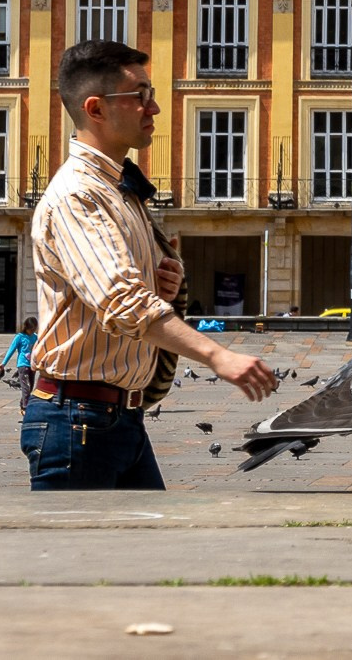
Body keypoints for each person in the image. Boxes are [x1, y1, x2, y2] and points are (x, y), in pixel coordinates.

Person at [23, 39, 278, 491]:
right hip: (77, 421)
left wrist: (165, 284)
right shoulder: (80, 196)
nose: (154, 107)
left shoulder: (120, 190)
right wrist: (218, 355)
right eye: (139, 95)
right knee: (77, 558)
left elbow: (120, 297)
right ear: (96, 109)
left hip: (116, 417)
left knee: (145, 553)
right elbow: (124, 303)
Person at [3, 315, 39, 411]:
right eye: (31, 329)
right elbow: (11, 350)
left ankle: (22, 403)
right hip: (23, 365)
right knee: (25, 388)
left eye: (34, 329)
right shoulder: (20, 337)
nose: (32, 331)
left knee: (30, 387)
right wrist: (3, 364)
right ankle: (25, 407)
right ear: (26, 328)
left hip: (32, 365)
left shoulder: (35, 337)